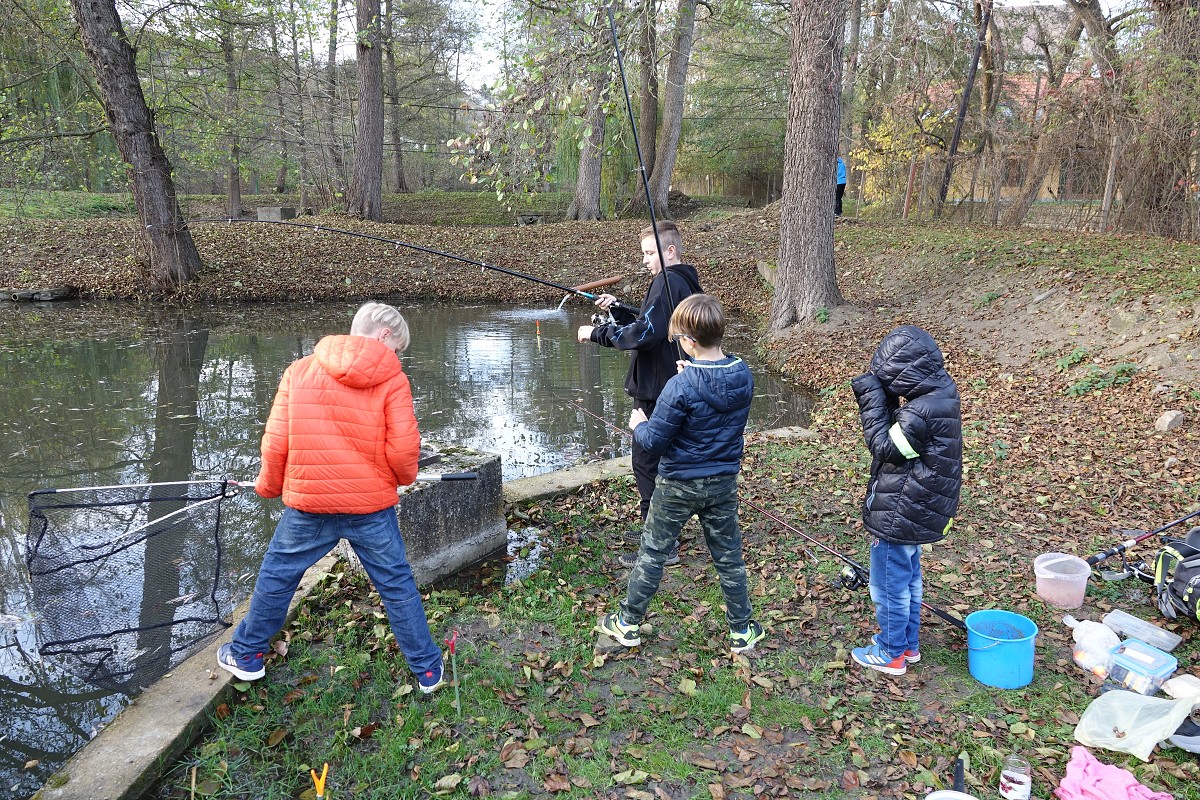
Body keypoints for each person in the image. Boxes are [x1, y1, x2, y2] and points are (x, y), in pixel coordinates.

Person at [216, 302, 445, 694]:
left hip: (309, 504)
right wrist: (403, 479)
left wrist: (269, 487)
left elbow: (275, 444)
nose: (394, 358)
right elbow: (405, 449)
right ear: (383, 335)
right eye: (396, 349)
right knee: (396, 583)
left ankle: (248, 654)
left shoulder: (299, 371)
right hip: (370, 506)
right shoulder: (393, 379)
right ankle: (426, 669)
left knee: (278, 574)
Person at [595, 294, 766, 654]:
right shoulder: (742, 373)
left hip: (677, 484)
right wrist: (692, 377)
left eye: (678, 339)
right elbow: (715, 395)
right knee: (729, 557)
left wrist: (639, 424)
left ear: (689, 341)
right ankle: (741, 630)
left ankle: (627, 624)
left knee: (653, 553)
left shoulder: (680, 385)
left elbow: (655, 441)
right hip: (722, 481)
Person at [577, 220, 702, 567]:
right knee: (657, 460)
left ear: (670, 251)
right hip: (667, 383)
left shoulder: (667, 281)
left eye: (650, 253)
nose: (646, 260)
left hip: (659, 387)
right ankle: (657, 529)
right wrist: (618, 309)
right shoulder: (680, 281)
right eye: (645, 253)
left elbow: (647, 334)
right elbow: (655, 321)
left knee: (647, 460)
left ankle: (660, 545)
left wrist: (597, 333)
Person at [849, 325, 962, 676]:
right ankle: (908, 644)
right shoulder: (942, 395)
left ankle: (891, 653)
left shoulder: (919, 413)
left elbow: (884, 448)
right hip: (919, 511)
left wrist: (872, 399)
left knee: (889, 587)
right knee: (909, 580)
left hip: (901, 512)